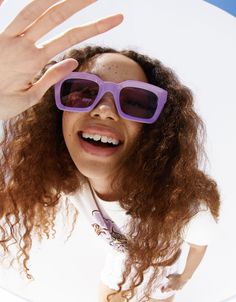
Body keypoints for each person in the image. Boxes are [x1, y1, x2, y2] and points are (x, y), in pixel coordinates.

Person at [0, 1, 220, 302]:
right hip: (115, 270)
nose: (104, 110)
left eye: (135, 102)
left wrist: (182, 278)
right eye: (82, 91)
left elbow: (198, 246)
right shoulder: (68, 179)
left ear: (156, 130)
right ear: (56, 113)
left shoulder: (188, 212)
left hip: (157, 278)